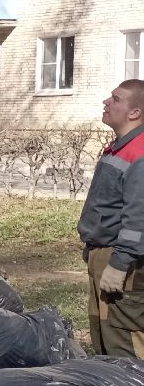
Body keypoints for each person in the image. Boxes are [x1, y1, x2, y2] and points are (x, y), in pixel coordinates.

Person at [79, 79, 144, 357]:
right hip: (103, 254)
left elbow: (139, 218)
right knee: (105, 339)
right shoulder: (119, 146)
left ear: (135, 113)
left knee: (125, 345)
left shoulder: (139, 152)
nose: (107, 102)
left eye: (116, 99)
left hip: (122, 262)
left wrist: (118, 264)